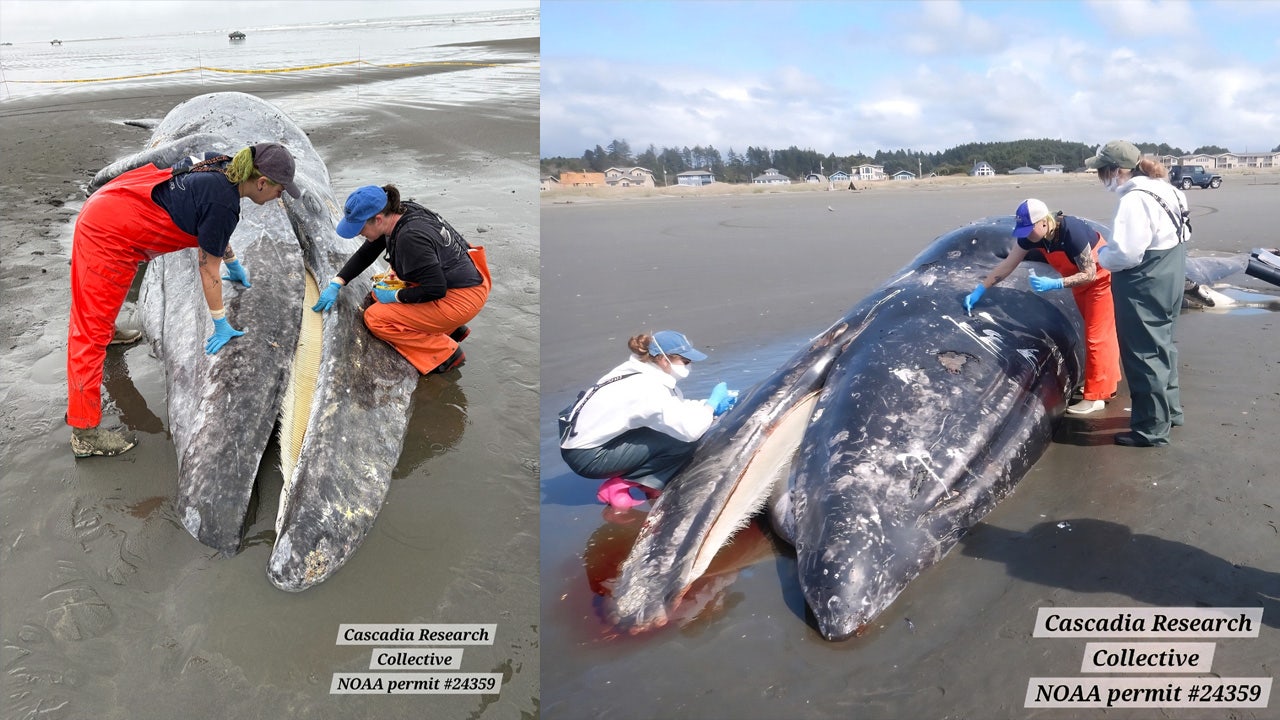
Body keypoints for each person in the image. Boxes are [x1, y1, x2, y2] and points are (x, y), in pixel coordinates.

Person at [67, 142, 300, 458]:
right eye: (279, 190)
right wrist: (220, 324)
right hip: (107, 233)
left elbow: (211, 227)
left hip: (121, 202)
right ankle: (84, 433)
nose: (279, 196)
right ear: (261, 182)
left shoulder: (225, 165)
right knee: (88, 333)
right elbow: (208, 269)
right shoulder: (225, 204)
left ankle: (107, 331)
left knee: (105, 305)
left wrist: (234, 265)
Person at [311, 184, 490, 375]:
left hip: (462, 296)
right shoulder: (397, 214)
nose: (358, 234)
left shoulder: (410, 238)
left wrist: (396, 296)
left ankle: (444, 353)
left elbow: (435, 289)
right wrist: (338, 281)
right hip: (467, 275)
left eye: (360, 228)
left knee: (376, 319)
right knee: (379, 296)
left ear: (378, 219)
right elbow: (367, 252)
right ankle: (450, 328)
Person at [964, 198, 1121, 414]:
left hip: (1099, 279)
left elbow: (1089, 273)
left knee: (1097, 336)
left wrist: (1056, 283)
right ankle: (1105, 384)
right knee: (1098, 332)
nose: (1027, 235)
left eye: (1030, 229)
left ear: (1045, 222)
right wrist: (982, 288)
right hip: (1077, 281)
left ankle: (1096, 397)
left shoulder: (1071, 232)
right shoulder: (1032, 238)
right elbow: (1008, 264)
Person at [558, 330, 736, 509]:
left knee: (671, 431)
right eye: (685, 361)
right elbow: (689, 431)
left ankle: (649, 483)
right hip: (588, 457)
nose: (689, 366)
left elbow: (674, 408)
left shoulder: (639, 372)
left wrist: (705, 404)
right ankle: (620, 486)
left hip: (585, 442)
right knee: (680, 442)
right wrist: (711, 405)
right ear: (663, 359)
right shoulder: (646, 388)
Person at [1087, 140, 1190, 447]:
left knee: (1143, 353)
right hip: (1172, 270)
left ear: (1116, 171)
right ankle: (1170, 412)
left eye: (1102, 171)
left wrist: (1101, 258)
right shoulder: (1170, 189)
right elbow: (1185, 231)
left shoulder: (1133, 200)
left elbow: (1127, 254)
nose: (1101, 177)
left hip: (1144, 281)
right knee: (1164, 345)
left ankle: (1150, 429)